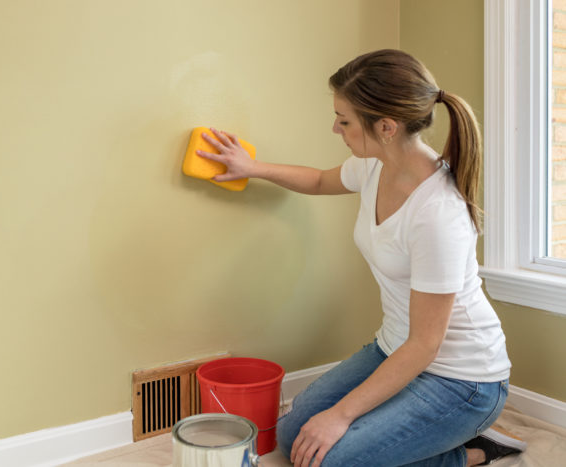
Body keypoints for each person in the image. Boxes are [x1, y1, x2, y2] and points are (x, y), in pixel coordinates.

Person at [196, 49, 526, 466]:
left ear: (386, 127)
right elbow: (318, 180)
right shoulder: (374, 165)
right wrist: (252, 167)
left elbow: (426, 345)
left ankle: (469, 453)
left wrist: (341, 415)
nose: (335, 127)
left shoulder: (437, 214)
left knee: (330, 459)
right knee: (293, 435)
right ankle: (429, 439)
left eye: (345, 119)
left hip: (462, 380)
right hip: (395, 349)